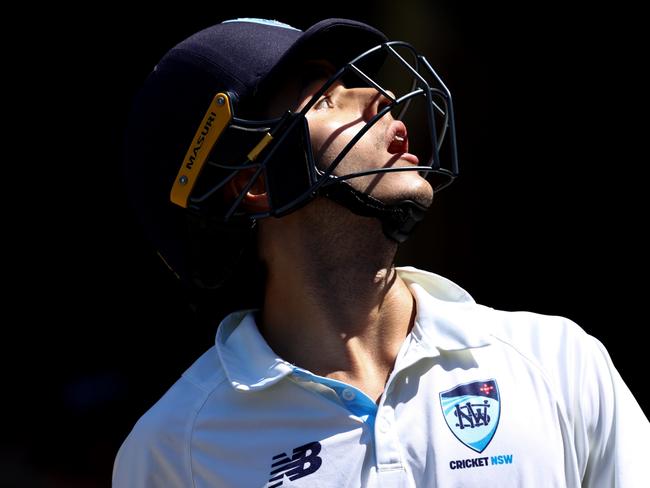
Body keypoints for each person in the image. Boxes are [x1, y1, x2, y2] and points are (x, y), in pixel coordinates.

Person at [113, 17, 648, 487]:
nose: (380, 97)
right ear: (252, 183)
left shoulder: (560, 363)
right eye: (322, 98)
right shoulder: (174, 449)